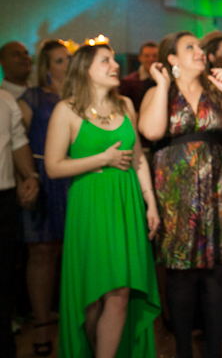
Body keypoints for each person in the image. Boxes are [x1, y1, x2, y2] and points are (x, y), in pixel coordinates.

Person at [139, 31, 222, 358]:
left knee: (219, 270)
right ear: (172, 59)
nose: (199, 52)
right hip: (176, 188)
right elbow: (152, 131)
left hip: (217, 186)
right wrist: (161, 86)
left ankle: (214, 348)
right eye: (190, 47)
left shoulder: (217, 88)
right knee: (180, 272)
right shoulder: (159, 91)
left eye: (200, 47)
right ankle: (184, 349)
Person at [44, 43, 160, 358]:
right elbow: (54, 166)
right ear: (84, 69)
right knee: (92, 294)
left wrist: (150, 202)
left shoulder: (125, 105)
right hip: (90, 207)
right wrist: (103, 159)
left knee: (121, 291)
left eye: (114, 60)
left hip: (126, 204)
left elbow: (138, 159)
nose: (115, 65)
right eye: (105, 61)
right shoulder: (66, 110)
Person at [18, 40, 72, 356]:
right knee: (42, 253)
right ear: (47, 68)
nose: (66, 64)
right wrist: (28, 175)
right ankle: (41, 325)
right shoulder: (33, 98)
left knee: (74, 252)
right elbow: (16, 138)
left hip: (75, 177)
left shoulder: (82, 98)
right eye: (60, 60)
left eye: (69, 59)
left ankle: (73, 320)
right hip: (44, 178)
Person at [0, 87, 39, 357]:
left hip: (3, 198)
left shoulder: (5, 99)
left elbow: (17, 142)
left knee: (3, 276)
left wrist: (31, 177)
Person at [118, 41, 158, 109]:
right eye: (146, 56)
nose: (151, 59)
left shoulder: (167, 80)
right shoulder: (128, 82)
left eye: (154, 56)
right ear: (140, 58)